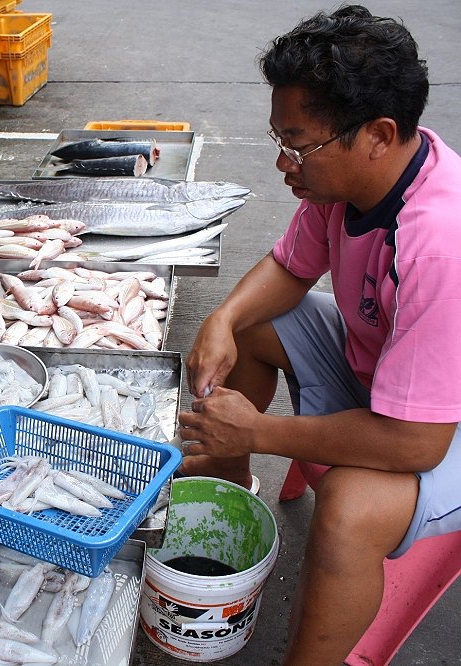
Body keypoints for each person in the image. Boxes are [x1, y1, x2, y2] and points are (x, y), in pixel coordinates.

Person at [177, 5, 461, 664]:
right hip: (380, 379)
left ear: (378, 135)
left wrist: (261, 430)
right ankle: (228, 474)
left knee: (347, 511)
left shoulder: (439, 244)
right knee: (251, 323)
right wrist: (222, 318)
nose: (286, 162)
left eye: (299, 144)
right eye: (281, 140)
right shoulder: (342, 188)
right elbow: (289, 267)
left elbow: (416, 441)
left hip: (439, 426)